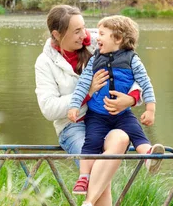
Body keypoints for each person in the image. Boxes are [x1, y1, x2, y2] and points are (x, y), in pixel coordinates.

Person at [35, 5, 143, 206]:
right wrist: (87, 92)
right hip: (72, 126)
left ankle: (88, 202)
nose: (84, 34)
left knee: (121, 138)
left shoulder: (100, 41)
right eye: (76, 31)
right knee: (97, 168)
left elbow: (136, 71)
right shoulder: (45, 63)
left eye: (84, 27)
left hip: (108, 119)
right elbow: (49, 109)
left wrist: (132, 98)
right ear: (57, 34)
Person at [68, 15, 165, 206]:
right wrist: (74, 105)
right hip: (96, 115)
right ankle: (84, 177)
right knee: (92, 141)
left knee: (136, 133)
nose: (97, 38)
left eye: (102, 34)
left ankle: (149, 156)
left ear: (118, 39)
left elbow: (146, 84)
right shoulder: (95, 59)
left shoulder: (133, 60)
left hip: (122, 114)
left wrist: (150, 109)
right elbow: (83, 85)